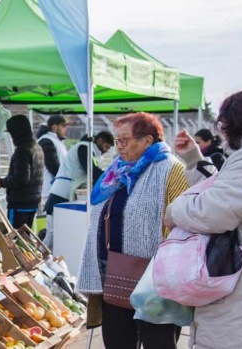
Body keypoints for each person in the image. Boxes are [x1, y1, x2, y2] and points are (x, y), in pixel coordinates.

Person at [76, 112, 189, 349]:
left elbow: (184, 225)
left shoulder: (171, 169)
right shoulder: (116, 171)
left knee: (158, 342)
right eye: (117, 140)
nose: (119, 146)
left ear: (148, 141)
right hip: (114, 279)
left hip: (154, 283)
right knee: (117, 342)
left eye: (125, 140)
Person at [164, 88, 242, 349]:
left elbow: (212, 213)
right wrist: (193, 160)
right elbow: (228, 197)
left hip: (240, 304)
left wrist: (174, 210)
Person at [42, 131, 114, 249]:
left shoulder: (89, 150)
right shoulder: (84, 148)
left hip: (65, 192)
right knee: (52, 233)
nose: (106, 150)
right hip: (61, 194)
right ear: (100, 140)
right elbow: (92, 171)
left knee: (58, 234)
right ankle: (39, 258)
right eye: (106, 146)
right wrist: (110, 178)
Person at [0, 114, 44, 229]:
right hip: (33, 201)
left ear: (15, 132)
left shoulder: (22, 150)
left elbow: (21, 179)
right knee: (25, 239)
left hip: (20, 204)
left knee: (14, 240)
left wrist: (1, 182)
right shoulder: (37, 147)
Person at [36, 115, 69, 202]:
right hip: (51, 190)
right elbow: (54, 167)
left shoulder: (56, 141)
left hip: (57, 188)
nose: (65, 129)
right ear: (54, 127)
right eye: (63, 126)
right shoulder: (46, 141)